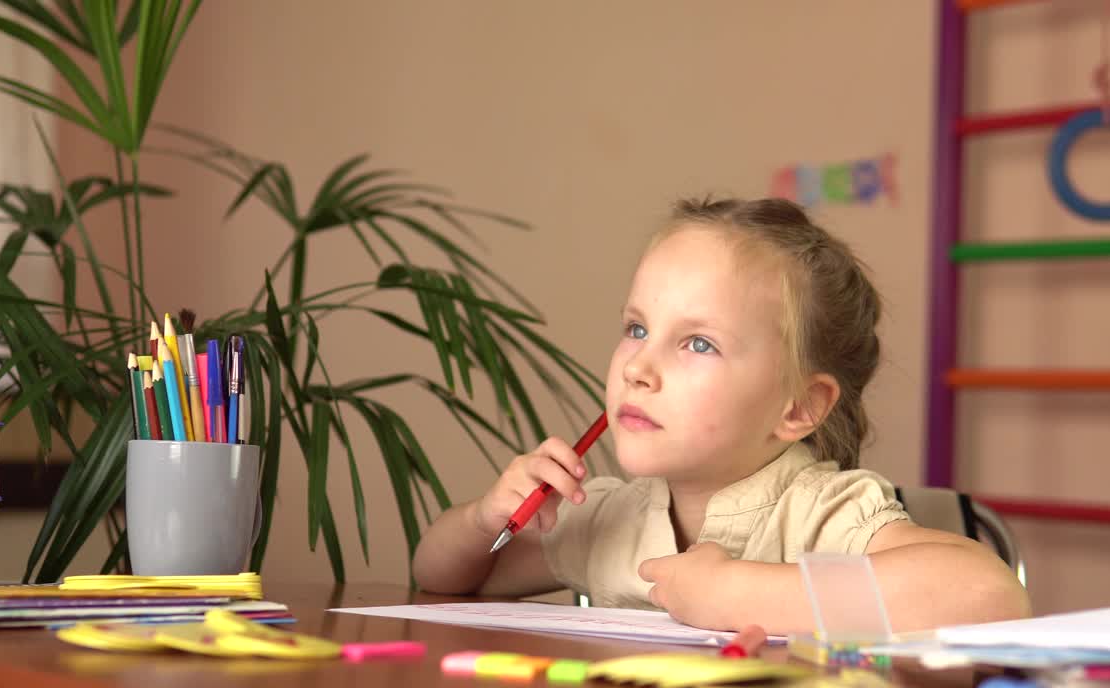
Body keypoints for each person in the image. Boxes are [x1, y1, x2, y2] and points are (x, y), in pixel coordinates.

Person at [412, 196, 1031, 633]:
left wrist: (731, 593)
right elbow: (448, 579)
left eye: (697, 343)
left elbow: (989, 595)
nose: (637, 368)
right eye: (636, 329)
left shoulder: (821, 515)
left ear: (799, 409)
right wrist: (482, 518)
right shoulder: (610, 517)